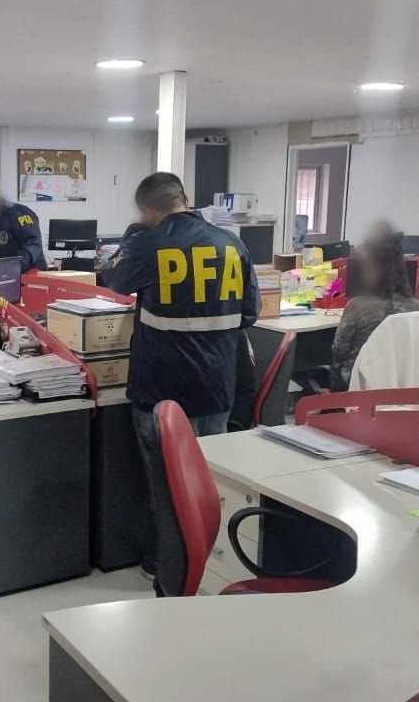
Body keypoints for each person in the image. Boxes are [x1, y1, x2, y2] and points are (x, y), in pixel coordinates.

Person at [103, 171, 259, 590]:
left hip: (160, 390)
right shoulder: (232, 244)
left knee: (165, 486)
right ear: (185, 199)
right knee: (210, 482)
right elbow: (249, 312)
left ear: (146, 210)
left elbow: (112, 278)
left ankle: (166, 565)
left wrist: (133, 237)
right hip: (216, 388)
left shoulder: (148, 242)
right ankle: (214, 563)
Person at [330, 235, 419, 389]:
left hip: (360, 382)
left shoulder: (358, 306)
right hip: (402, 383)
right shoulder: (416, 307)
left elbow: (338, 351)